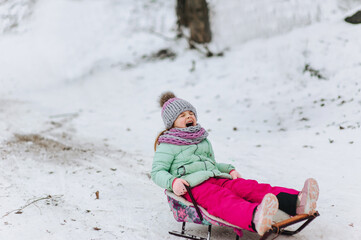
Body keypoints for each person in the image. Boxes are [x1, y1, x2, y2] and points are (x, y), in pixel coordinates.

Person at [151, 92, 319, 236]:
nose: (189, 116)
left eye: (190, 113)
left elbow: (212, 164)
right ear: (171, 123)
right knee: (222, 199)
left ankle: (296, 201)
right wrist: (173, 182)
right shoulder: (168, 145)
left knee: (249, 187)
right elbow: (157, 171)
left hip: (215, 177)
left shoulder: (202, 139)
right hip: (193, 187)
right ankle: (254, 216)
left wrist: (229, 169)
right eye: (182, 115)